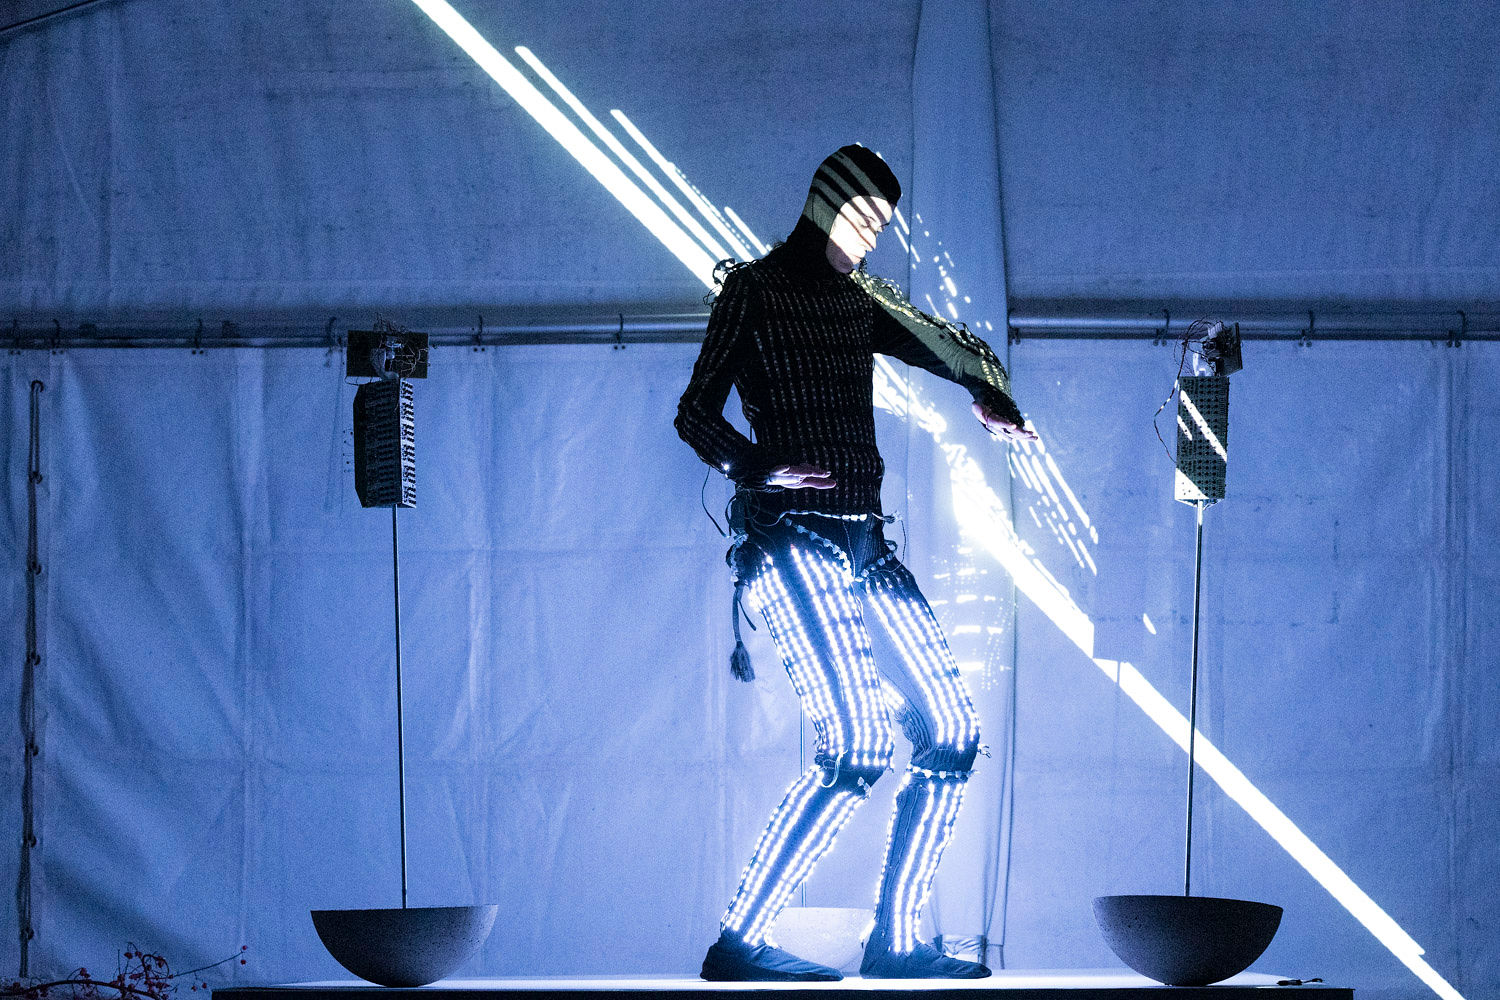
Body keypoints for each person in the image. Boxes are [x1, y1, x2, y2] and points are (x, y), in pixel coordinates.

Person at [675, 144, 1034, 982]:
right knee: (858, 745)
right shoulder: (755, 290)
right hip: (790, 540)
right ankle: (739, 943)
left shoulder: (858, 300)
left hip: (867, 543)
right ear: (824, 204)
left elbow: (946, 346)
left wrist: (989, 394)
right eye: (863, 214)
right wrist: (758, 466)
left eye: (883, 222)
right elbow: (695, 413)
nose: (873, 233)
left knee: (950, 732)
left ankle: (896, 940)